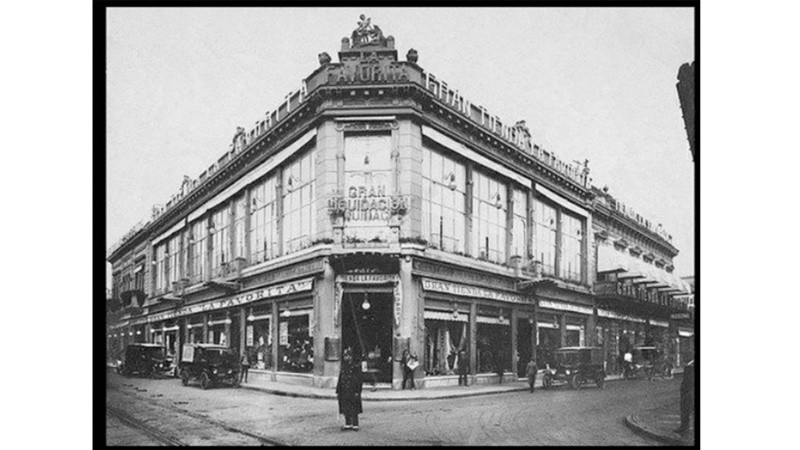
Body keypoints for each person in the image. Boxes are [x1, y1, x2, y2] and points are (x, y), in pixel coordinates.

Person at [336, 347, 363, 431]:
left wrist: (357, 391)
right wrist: (338, 390)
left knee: (354, 407)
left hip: (352, 390)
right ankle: (348, 423)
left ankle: (355, 424)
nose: (345, 357)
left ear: (350, 356)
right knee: (345, 407)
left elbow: (359, 380)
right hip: (344, 390)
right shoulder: (344, 366)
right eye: (344, 356)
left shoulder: (355, 366)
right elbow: (340, 378)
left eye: (347, 356)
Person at [674, 359, 695, 435]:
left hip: (690, 390)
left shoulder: (691, 365)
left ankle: (684, 427)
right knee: (684, 409)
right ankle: (684, 427)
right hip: (686, 390)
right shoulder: (690, 364)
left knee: (689, 409)